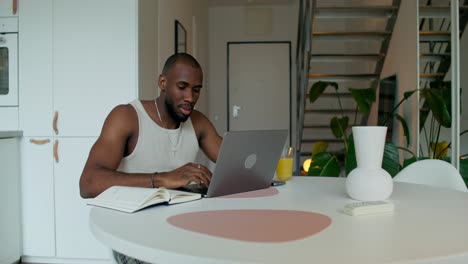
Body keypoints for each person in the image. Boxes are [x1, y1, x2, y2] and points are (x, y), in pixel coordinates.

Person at [79, 53, 222, 199]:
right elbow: (88, 183)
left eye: (196, 90)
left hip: (176, 216)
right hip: (132, 218)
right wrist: (161, 179)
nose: (190, 98)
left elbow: (234, 162)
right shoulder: (127, 117)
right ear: (163, 82)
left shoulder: (198, 121)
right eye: (182, 87)